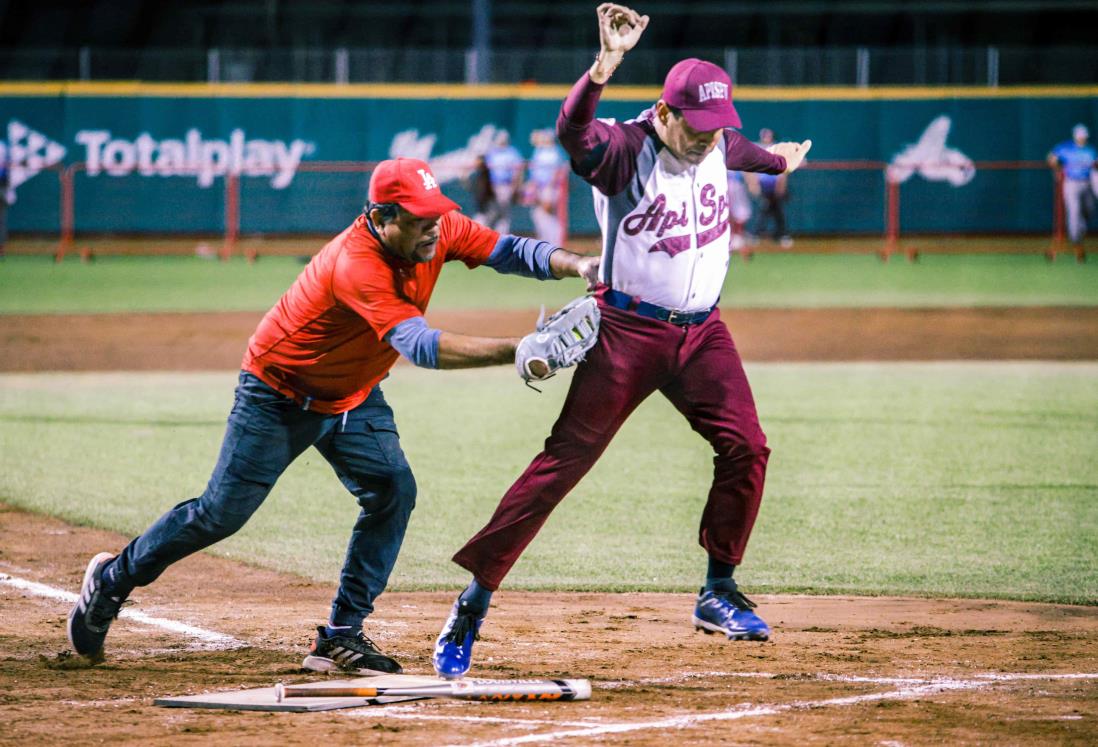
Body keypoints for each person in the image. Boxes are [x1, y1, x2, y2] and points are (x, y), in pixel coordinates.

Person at [67, 157, 599, 672]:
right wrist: (520, 349)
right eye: (419, 219)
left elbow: (507, 249)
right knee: (219, 515)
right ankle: (113, 578)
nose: (434, 229)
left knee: (393, 491)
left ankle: (341, 636)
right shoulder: (357, 263)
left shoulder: (435, 228)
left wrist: (578, 264)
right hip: (279, 394)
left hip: (353, 393)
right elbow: (418, 345)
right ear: (382, 217)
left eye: (436, 214)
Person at [432, 3, 811, 679]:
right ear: (665, 113)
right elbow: (572, 132)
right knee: (562, 464)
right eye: (696, 127)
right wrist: (603, 66)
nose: (707, 140)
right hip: (626, 332)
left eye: (716, 128)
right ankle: (474, 598)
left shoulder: (717, 141)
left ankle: (717, 589)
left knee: (747, 446)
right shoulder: (627, 151)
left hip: (703, 334)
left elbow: (748, 153)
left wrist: (779, 163)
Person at [1047, 123, 1096, 255]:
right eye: (1079, 136)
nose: (1082, 138)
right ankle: (1075, 240)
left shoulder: (1091, 150)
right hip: (1071, 183)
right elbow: (1052, 158)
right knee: (1073, 210)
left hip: (1087, 183)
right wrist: (1056, 168)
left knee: (1089, 209)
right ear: (1075, 136)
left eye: (1083, 136)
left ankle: (1079, 230)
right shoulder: (1066, 148)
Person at [747, 128, 793, 249]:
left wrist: (781, 185)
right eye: (764, 136)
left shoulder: (777, 149)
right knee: (764, 209)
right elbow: (752, 169)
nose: (766, 138)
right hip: (764, 186)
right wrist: (754, 184)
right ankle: (755, 234)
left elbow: (783, 170)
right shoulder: (758, 149)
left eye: (768, 136)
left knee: (778, 211)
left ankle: (782, 235)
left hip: (775, 185)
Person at [523, 128, 568, 245]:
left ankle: (555, 243)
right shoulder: (540, 151)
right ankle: (546, 243)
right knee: (538, 215)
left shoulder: (554, 152)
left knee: (547, 215)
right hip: (540, 188)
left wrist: (548, 190)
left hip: (549, 188)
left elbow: (557, 173)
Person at [482, 131, 525, 233]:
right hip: (493, 187)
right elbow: (485, 171)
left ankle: (501, 238)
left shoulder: (512, 152)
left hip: (506, 185)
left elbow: (518, 170)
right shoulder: (492, 152)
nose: (501, 142)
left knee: (504, 214)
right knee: (491, 213)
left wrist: (515, 187)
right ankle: (487, 237)